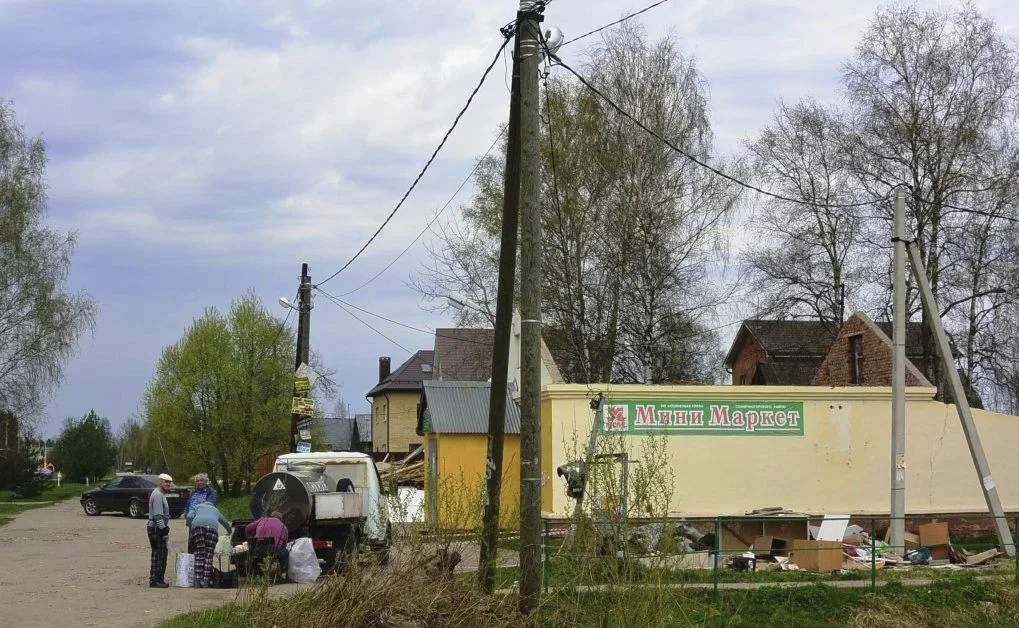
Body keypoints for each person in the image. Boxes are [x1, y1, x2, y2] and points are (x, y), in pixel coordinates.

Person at [186, 498, 233, 588]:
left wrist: (190, 525)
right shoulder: (215, 509)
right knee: (208, 555)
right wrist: (229, 531)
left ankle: (197, 581)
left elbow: (189, 517)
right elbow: (224, 521)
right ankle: (206, 581)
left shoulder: (196, 507)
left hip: (198, 528)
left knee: (199, 553)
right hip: (212, 529)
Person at [244, 511, 289, 579]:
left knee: (258, 555)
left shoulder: (262, 519)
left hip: (258, 550)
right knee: (286, 552)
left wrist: (250, 537)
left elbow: (247, 528)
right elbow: (285, 543)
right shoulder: (283, 527)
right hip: (274, 551)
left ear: (271, 516)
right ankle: (283, 574)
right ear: (281, 519)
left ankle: (256, 574)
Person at [147, 473, 173, 588]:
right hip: (156, 528)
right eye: (165, 482)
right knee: (159, 554)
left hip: (156, 527)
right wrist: (164, 531)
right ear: (160, 482)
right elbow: (158, 515)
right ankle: (155, 580)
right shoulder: (157, 495)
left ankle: (158, 579)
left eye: (169, 482)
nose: (168, 484)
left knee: (160, 553)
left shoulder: (160, 494)